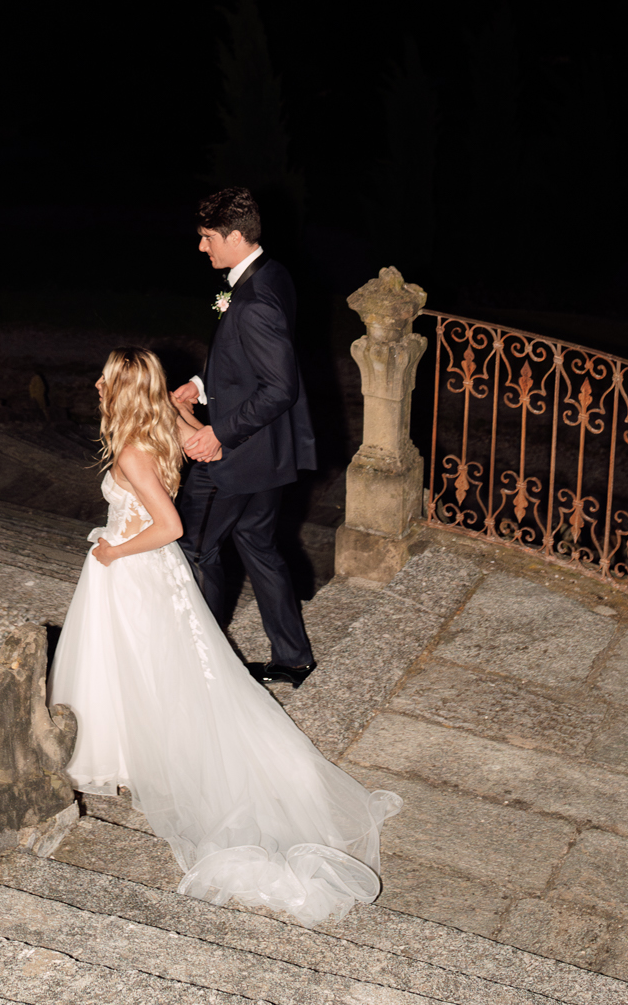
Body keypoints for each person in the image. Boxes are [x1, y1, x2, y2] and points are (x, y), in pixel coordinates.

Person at [49, 345, 399, 924]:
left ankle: (151, 757)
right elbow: (187, 442)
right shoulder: (156, 429)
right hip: (142, 573)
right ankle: (135, 751)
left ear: (123, 390)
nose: (95, 384)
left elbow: (171, 526)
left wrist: (113, 548)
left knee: (142, 665)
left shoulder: (136, 450)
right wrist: (178, 404)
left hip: (134, 571)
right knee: (138, 667)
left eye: (105, 378)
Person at [171, 186, 316, 685]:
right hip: (270, 453)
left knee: (193, 547)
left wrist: (218, 434)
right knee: (257, 541)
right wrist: (199, 384)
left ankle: (206, 668)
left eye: (208, 237)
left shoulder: (253, 301)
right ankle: (293, 657)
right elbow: (245, 361)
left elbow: (280, 387)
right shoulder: (269, 274)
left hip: (236, 456)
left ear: (234, 236)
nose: (201, 247)